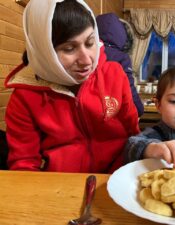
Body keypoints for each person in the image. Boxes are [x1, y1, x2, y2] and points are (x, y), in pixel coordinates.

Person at [4, 0, 139, 173]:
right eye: (69, 48)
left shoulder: (115, 74)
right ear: (44, 51)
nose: (87, 60)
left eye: (90, 43)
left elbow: (133, 134)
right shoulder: (25, 96)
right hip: (60, 186)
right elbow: (24, 164)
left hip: (117, 178)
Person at [96, 13, 144, 116]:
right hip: (113, 113)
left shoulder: (90, 52)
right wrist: (139, 108)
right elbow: (129, 88)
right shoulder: (121, 57)